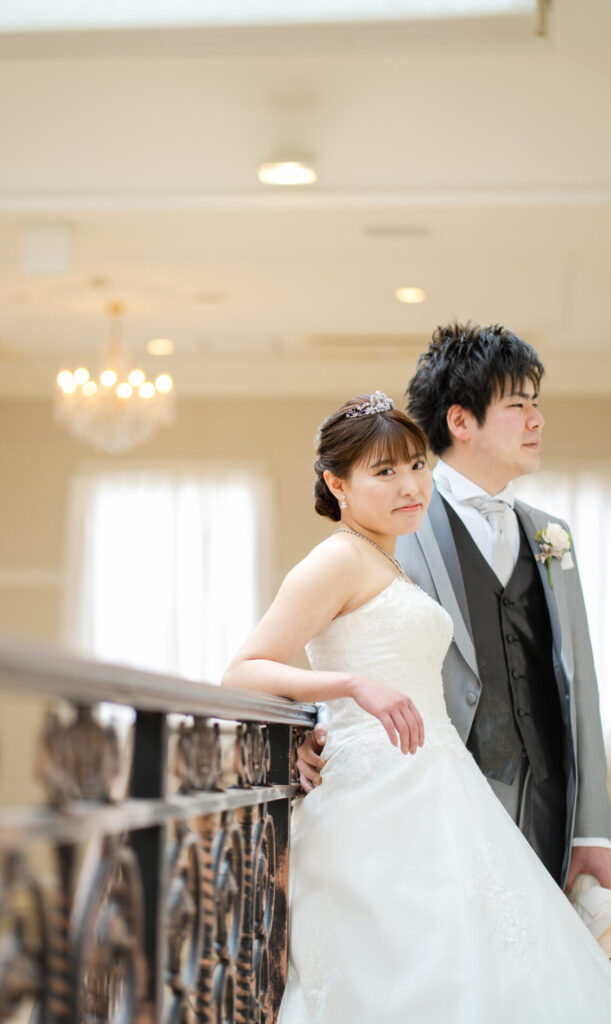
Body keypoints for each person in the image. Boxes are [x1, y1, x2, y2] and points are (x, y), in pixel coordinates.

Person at [222, 388, 611, 1022]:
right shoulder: (337, 559)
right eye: (384, 472)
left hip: (437, 786)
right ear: (337, 485)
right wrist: (349, 686)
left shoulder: (384, 558)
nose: (411, 486)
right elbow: (242, 671)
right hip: (374, 801)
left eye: (417, 465)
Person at [298, 322, 611, 895]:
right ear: (461, 422)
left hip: (549, 801)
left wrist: (594, 830)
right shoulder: (391, 526)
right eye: (518, 405)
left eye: (536, 404)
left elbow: (582, 681)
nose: (537, 420)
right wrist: (309, 728)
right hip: (437, 800)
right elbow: (344, 638)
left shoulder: (552, 535)